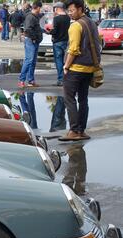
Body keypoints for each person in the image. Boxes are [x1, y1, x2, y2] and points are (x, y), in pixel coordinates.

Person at [59, 0, 101, 141]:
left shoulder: (76, 26)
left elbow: (73, 49)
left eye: (72, 10)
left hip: (75, 68)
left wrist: (66, 66)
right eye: (68, 11)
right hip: (89, 68)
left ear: (80, 9)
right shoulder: (92, 23)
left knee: (69, 99)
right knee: (83, 100)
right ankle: (81, 130)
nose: (70, 13)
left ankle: (74, 130)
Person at [18, 1, 43, 88]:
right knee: (29, 60)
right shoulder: (30, 17)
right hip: (31, 40)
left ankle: (31, 81)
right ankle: (21, 80)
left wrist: (43, 31)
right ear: (38, 8)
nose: (41, 10)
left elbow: (35, 28)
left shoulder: (34, 17)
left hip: (33, 40)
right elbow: (28, 29)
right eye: (40, 8)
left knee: (32, 61)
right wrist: (34, 38)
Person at [48, 2, 70, 86]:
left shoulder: (56, 19)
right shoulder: (67, 18)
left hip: (57, 41)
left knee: (58, 61)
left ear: (57, 8)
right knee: (65, 61)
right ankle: (66, 78)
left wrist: (49, 31)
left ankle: (60, 79)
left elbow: (55, 31)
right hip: (65, 41)